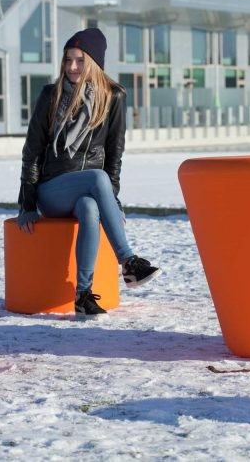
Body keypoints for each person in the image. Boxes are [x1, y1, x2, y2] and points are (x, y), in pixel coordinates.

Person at [17, 27, 161, 316]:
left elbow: (114, 156)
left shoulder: (113, 97)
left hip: (91, 193)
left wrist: (112, 201)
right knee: (97, 177)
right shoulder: (50, 95)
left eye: (80, 60)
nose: (72, 67)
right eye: (68, 59)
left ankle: (83, 295)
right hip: (52, 190)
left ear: (94, 62)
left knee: (90, 207)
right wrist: (28, 203)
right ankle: (128, 261)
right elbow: (32, 152)